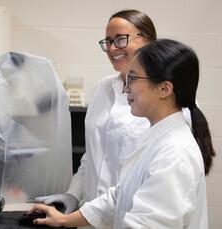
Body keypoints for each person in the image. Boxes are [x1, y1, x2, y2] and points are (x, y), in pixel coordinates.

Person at [30, 39, 216, 229]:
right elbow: (121, 195)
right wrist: (65, 220)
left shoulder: (173, 155)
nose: (126, 88)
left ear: (164, 89)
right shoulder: (156, 139)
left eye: (133, 78)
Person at [36, 9, 158, 218]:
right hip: (88, 218)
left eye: (120, 39)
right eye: (108, 41)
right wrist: (72, 195)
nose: (112, 48)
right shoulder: (103, 88)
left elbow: (156, 178)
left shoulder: (165, 97)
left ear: (148, 41)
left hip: (133, 219)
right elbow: (92, 156)